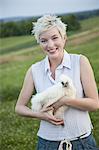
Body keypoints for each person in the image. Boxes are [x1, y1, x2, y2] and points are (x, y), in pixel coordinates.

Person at [15, 14, 99, 150]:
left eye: (55, 38)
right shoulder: (34, 70)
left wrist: (64, 101)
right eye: (43, 40)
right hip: (47, 144)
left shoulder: (80, 62)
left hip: (82, 142)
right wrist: (40, 115)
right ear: (39, 43)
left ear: (64, 38)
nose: (50, 45)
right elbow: (19, 107)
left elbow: (95, 104)